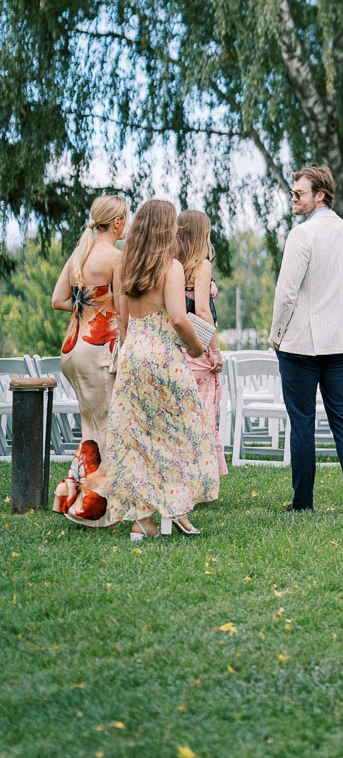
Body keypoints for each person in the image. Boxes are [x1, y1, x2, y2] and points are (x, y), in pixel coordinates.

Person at [105, 199, 220, 540]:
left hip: (132, 355)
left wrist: (129, 352)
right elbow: (178, 317)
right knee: (182, 432)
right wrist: (198, 347)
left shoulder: (126, 265)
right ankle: (176, 508)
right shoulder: (169, 267)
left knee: (136, 437)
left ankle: (142, 521)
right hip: (163, 355)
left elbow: (123, 320)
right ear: (164, 228)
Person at [270, 165, 343, 517]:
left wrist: (277, 334)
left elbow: (286, 293)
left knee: (302, 421)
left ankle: (303, 502)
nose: (293, 198)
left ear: (321, 196)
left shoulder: (302, 235)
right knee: (342, 417)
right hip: (339, 343)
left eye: (299, 193)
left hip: (299, 343)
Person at [51, 193, 130, 527]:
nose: (127, 223)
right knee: (105, 429)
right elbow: (124, 313)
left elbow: (58, 300)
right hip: (97, 351)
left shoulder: (79, 253)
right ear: (116, 222)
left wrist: (89, 309)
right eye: (125, 217)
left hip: (72, 349)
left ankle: (71, 493)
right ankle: (95, 510)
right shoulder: (115, 258)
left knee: (92, 426)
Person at [175, 209, 228, 477]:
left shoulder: (171, 264)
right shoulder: (201, 265)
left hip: (176, 343)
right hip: (198, 342)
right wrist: (215, 350)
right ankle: (201, 474)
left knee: (181, 411)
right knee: (202, 411)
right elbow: (203, 310)